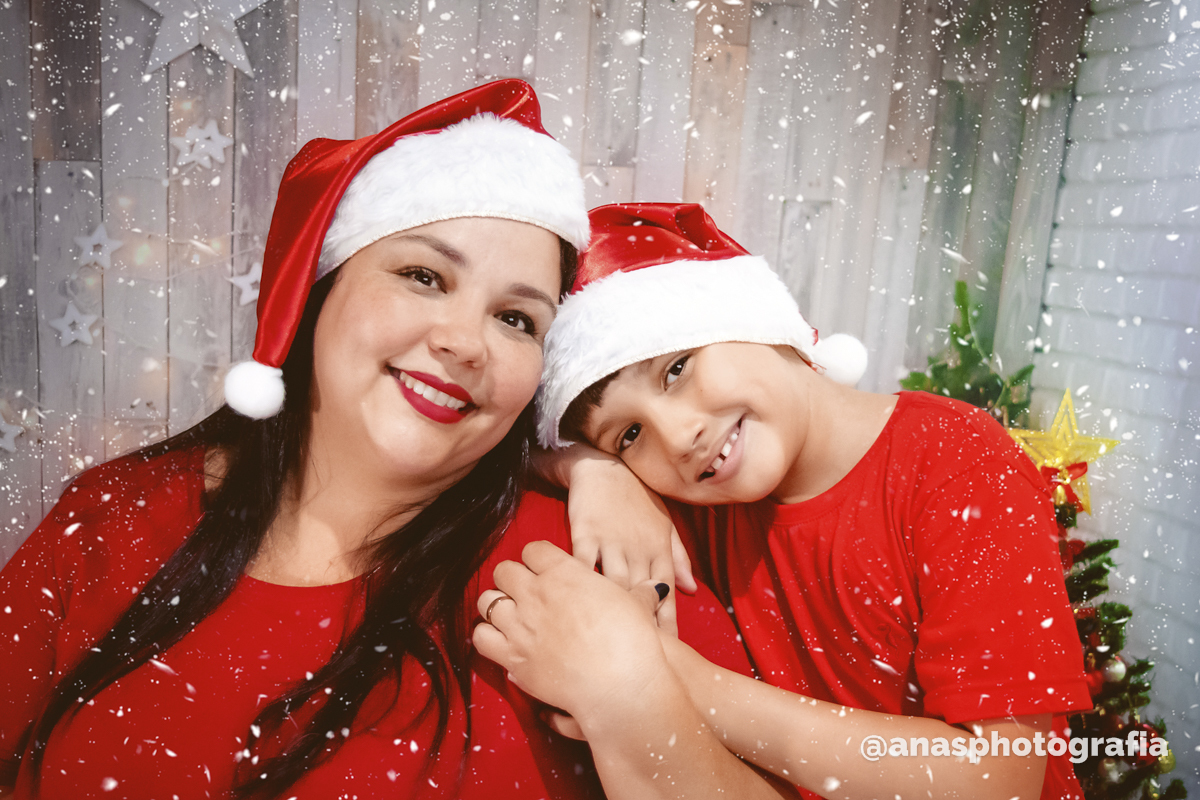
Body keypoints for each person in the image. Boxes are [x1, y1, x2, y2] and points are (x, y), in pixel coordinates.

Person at [0, 85, 748, 800]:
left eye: (517, 320)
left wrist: (634, 702)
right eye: (423, 276)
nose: (465, 343)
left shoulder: (595, 565)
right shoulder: (110, 517)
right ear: (319, 291)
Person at [473, 203, 1093, 800]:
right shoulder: (709, 495)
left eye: (676, 369)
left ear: (754, 318)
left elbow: (996, 779)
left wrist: (670, 680)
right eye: (630, 434)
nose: (678, 435)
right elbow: (482, 441)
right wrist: (593, 469)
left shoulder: (956, 461)